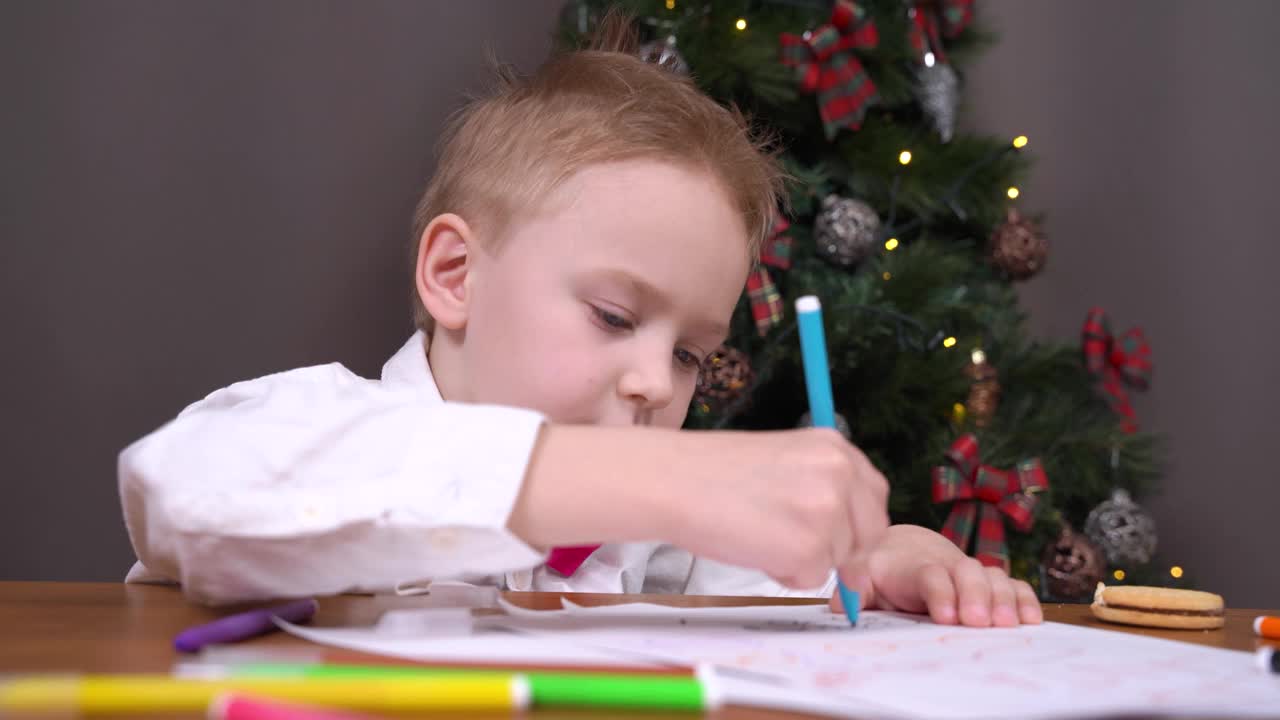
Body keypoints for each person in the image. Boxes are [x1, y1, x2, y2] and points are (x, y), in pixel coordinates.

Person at [119, 16, 1041, 629]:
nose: (653, 383)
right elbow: (186, 490)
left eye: (687, 353)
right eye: (611, 315)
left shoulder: (653, 547)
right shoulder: (320, 423)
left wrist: (879, 556)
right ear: (453, 275)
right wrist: (626, 481)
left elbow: (780, 594)